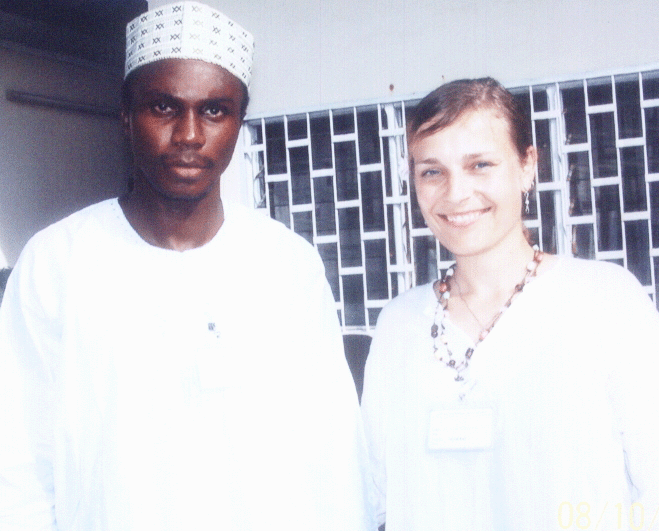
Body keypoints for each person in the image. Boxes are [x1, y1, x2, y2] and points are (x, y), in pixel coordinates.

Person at [0, 2, 375, 530]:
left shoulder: (287, 264)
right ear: (126, 117)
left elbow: (333, 452)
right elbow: (19, 458)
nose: (190, 135)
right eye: (164, 107)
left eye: (215, 110)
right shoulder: (57, 262)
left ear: (239, 122)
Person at [360, 77, 659, 530]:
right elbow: (375, 497)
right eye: (432, 171)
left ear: (527, 166)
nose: (456, 193)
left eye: (480, 165)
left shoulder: (604, 300)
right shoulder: (399, 325)